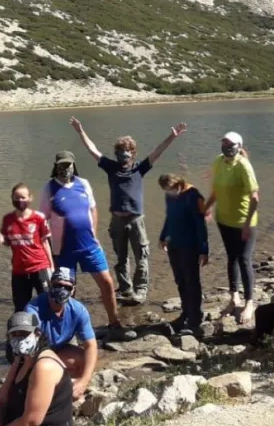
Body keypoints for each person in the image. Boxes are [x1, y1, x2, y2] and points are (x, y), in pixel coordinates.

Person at [69, 117, 188, 304]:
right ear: (117, 153)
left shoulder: (140, 168)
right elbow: (93, 150)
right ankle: (125, 289)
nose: (124, 154)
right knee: (121, 258)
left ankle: (140, 291)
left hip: (136, 219)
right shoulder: (111, 167)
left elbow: (157, 152)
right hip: (117, 220)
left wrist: (171, 137)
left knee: (142, 256)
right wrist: (80, 131)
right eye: (121, 151)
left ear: (133, 153)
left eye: (127, 151)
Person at [39, 151, 127, 335]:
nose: (65, 168)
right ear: (56, 166)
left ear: (74, 165)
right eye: (61, 165)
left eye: (68, 165)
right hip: (63, 250)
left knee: (107, 282)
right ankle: (67, 331)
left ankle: (114, 323)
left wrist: (93, 232)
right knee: (65, 291)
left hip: (90, 246)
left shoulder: (83, 183)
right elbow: (42, 220)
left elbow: (93, 209)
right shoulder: (49, 188)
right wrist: (45, 249)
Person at [204, 132, 260, 327]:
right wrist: (206, 208)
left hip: (244, 221)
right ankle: (234, 297)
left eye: (231, 144)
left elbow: (255, 197)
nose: (226, 146)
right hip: (224, 220)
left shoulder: (243, 165)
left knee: (244, 259)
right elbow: (216, 190)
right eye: (224, 142)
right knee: (231, 258)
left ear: (239, 146)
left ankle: (249, 302)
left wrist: (247, 224)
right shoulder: (218, 161)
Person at [25, 267, 98, 399]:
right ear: (50, 285)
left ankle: (69, 389)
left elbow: (91, 345)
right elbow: (30, 350)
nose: (62, 290)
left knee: (84, 360)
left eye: (67, 287)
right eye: (58, 285)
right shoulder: (33, 310)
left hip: (58, 348)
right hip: (34, 353)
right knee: (43, 371)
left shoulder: (78, 310)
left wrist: (84, 381)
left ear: (73, 290)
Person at [158, 173, 209, 334]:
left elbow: (200, 224)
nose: (169, 192)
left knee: (191, 281)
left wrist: (204, 249)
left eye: (171, 189)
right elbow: (169, 217)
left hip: (190, 245)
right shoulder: (170, 196)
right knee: (180, 280)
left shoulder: (193, 196)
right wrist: (163, 236)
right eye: (166, 190)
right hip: (174, 243)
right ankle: (186, 312)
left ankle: (196, 317)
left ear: (178, 184)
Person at [0, 183, 55, 310]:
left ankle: (46, 324)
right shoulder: (8, 219)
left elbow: (45, 243)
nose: (20, 200)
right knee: (20, 308)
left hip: (40, 268)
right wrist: (1, 241)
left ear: (30, 198)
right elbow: (8, 242)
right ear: (12, 198)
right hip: (19, 271)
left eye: (23, 197)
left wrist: (51, 267)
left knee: (48, 304)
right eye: (16, 197)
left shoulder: (38, 218)